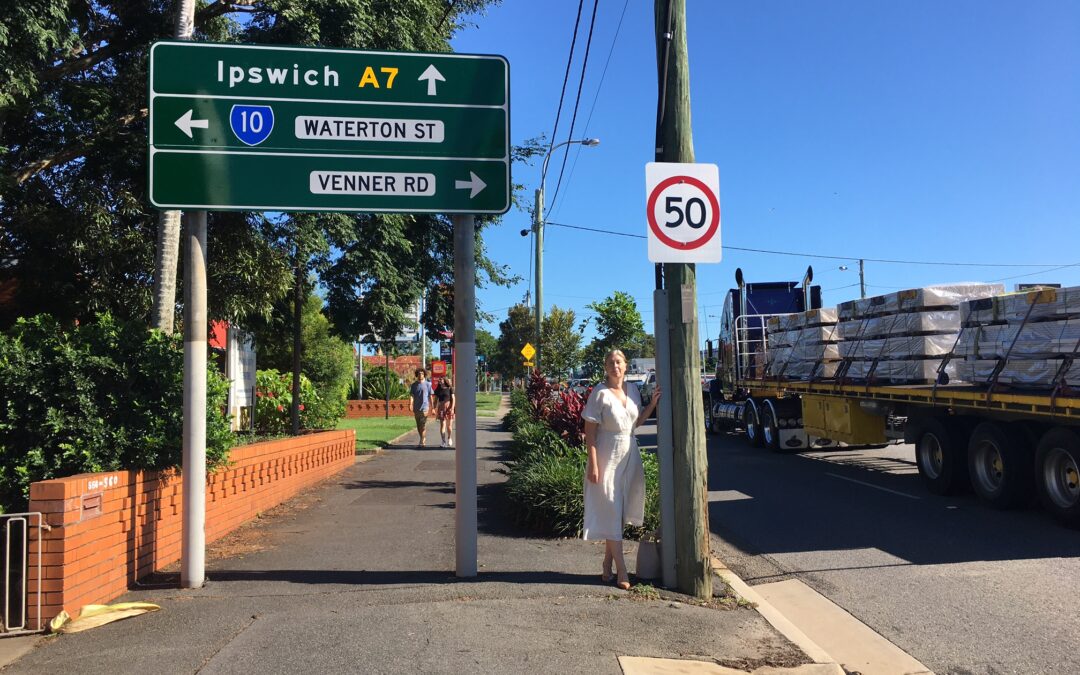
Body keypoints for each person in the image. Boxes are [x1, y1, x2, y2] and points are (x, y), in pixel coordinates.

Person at [582, 348, 662, 590]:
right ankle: (622, 571)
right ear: (605, 367)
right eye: (610, 362)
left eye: (618, 362)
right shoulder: (600, 393)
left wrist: (652, 405)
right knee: (611, 509)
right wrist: (593, 464)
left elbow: (634, 423)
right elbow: (590, 433)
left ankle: (607, 564)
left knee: (617, 513)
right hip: (607, 456)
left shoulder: (634, 390)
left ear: (626, 365)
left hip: (630, 455)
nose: (615, 366)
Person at [408, 368, 434, 448]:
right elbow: (412, 396)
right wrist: (410, 404)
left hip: (425, 407)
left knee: (422, 425)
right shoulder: (414, 385)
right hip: (416, 408)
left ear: (424, 375)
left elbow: (430, 396)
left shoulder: (428, 384)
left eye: (422, 373)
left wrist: (432, 407)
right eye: (419, 373)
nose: (420, 375)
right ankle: (422, 438)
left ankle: (422, 441)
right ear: (417, 374)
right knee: (419, 425)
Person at [434, 376, 455, 447]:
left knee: (449, 426)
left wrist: (452, 408)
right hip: (441, 408)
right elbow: (435, 400)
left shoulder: (450, 388)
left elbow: (453, 399)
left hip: (449, 408)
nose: (439, 380)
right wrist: (434, 408)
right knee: (442, 425)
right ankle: (443, 441)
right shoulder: (438, 389)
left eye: (441, 379)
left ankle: (449, 437)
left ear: (444, 380)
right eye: (439, 379)